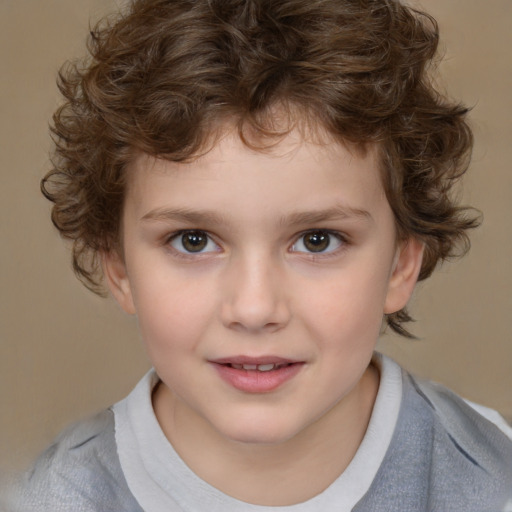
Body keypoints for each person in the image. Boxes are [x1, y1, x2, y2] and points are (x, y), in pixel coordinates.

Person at [6, 0, 512, 510]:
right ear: (118, 266)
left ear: (401, 264)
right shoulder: (53, 497)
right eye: (194, 240)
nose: (253, 309)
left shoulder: (492, 478)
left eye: (317, 240)